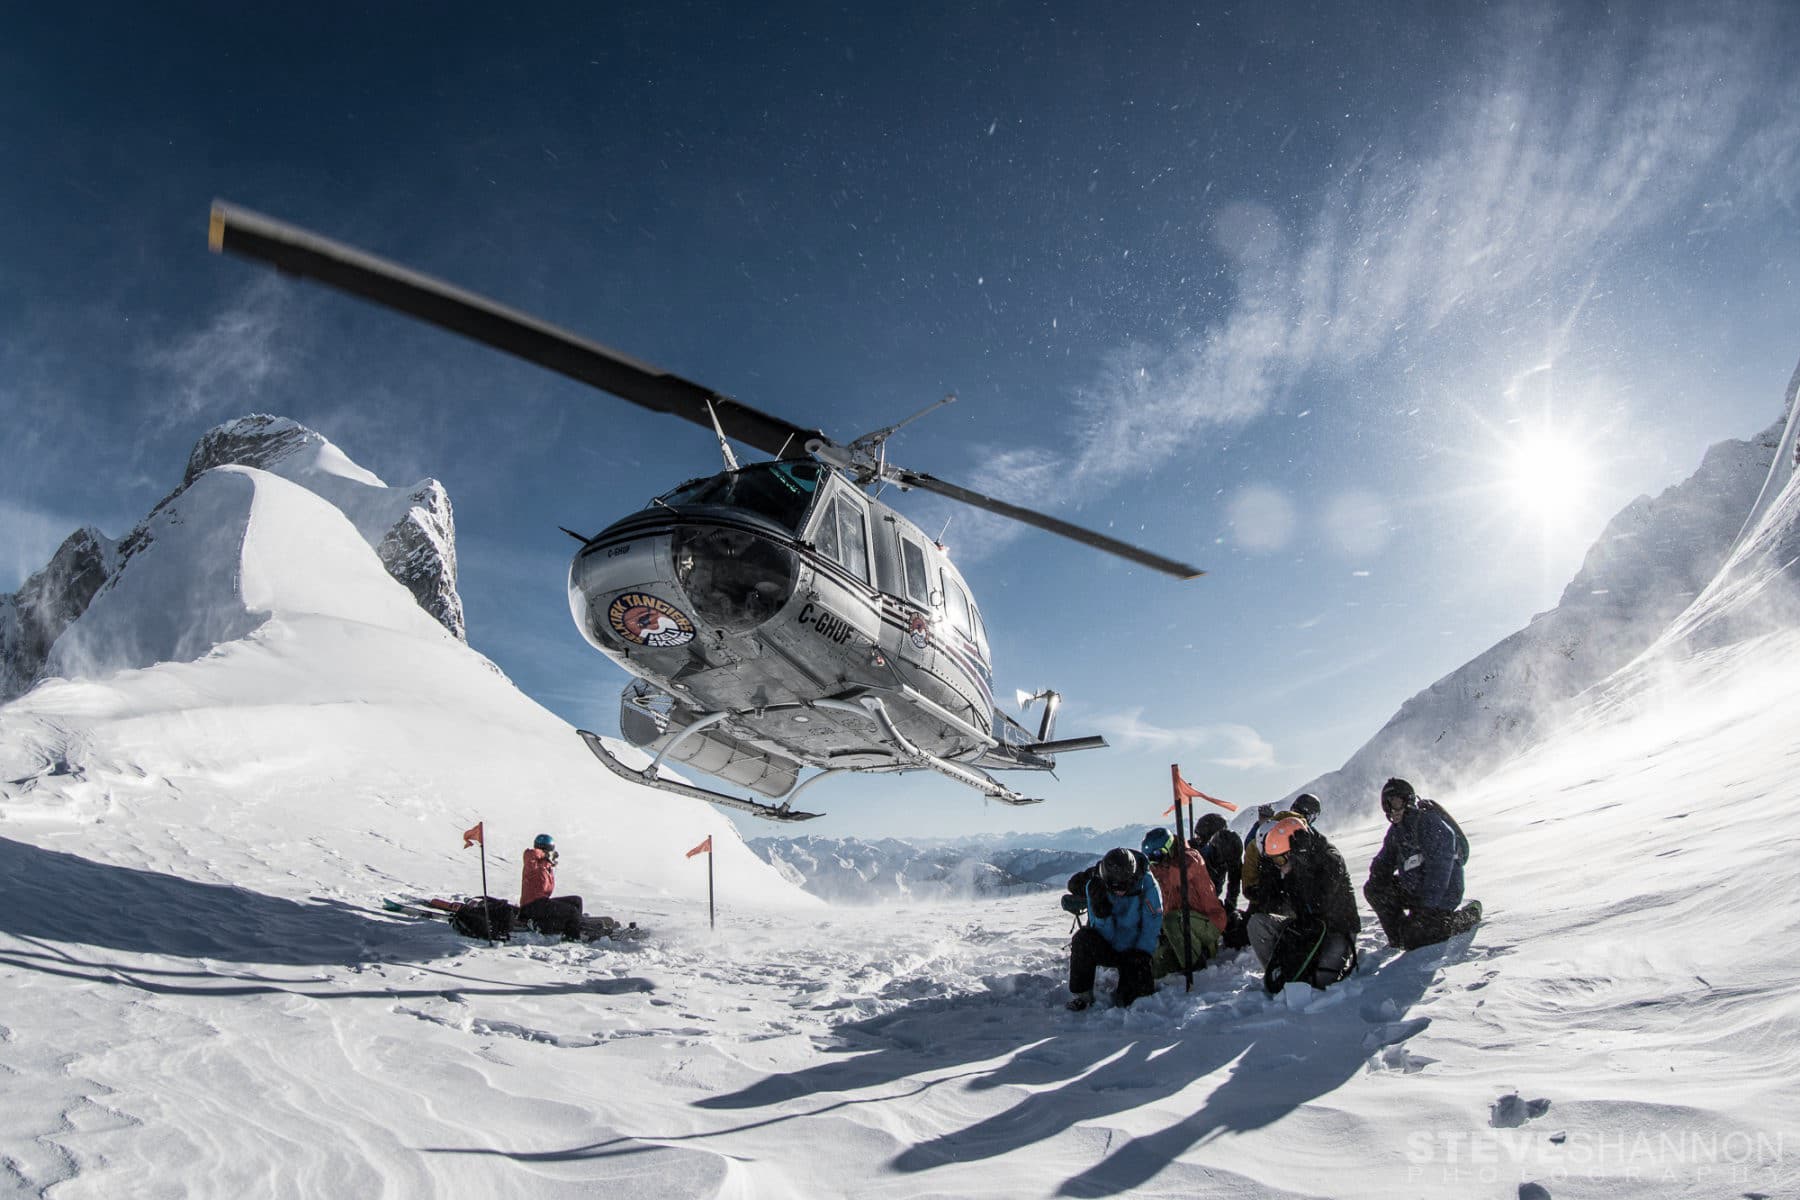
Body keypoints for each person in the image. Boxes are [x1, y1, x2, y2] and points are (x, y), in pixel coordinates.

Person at [1246, 816, 1361, 993]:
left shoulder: (1330, 857)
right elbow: (1274, 902)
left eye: (1280, 860)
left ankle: (1295, 972)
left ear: (1293, 851)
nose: (1279, 866)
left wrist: (1301, 867)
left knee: (1318, 982)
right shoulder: (1291, 868)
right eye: (1275, 861)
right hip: (1306, 928)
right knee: (1258, 924)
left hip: (1336, 930)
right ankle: (1281, 971)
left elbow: (1319, 902)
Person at [1364, 778, 1481, 950]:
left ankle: (1463, 919)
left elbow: (1440, 871)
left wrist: (1426, 909)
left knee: (1416, 939)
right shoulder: (1398, 831)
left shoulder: (1429, 822)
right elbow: (1384, 860)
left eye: (1395, 803)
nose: (1391, 811)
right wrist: (1378, 874)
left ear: (1408, 800)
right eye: (1386, 806)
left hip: (1442, 896)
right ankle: (1399, 936)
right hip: (1417, 893)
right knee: (1374, 889)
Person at [1066, 847, 1163, 1011]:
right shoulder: (1095, 887)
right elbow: (1103, 933)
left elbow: (1152, 924)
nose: (1119, 891)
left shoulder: (1147, 884)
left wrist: (1141, 953)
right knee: (1082, 939)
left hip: (1136, 949)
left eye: (1124, 886)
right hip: (1109, 945)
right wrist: (1104, 916)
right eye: (1115, 887)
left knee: (1134, 1001)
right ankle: (1082, 995)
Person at [1140, 827, 1227, 977]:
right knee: (1155, 966)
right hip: (1181, 926)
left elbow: (1178, 875)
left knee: (1171, 920)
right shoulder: (1162, 866)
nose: (1154, 861)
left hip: (1209, 922)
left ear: (1167, 847)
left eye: (1157, 855)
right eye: (1150, 857)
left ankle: (1196, 963)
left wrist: (1155, 870)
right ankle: (1194, 951)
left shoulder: (1190, 858)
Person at [519, 833, 585, 940]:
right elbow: (530, 853)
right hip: (531, 906)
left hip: (542, 903)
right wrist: (545, 855)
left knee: (576, 901)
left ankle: (575, 925)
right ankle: (572, 938)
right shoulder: (532, 863)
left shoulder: (546, 866)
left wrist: (549, 862)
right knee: (571, 911)